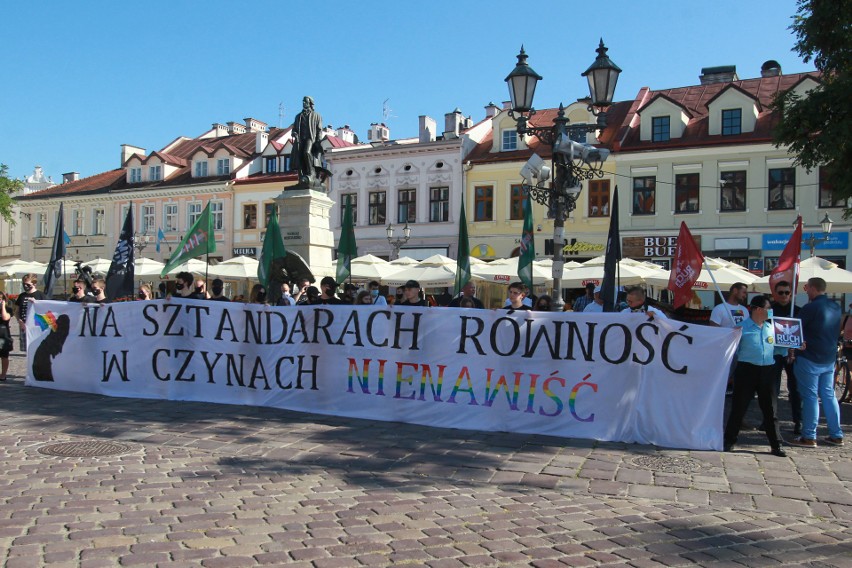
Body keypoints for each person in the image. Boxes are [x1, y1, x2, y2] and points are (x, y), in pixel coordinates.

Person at [723, 295, 787, 457]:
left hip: (767, 370)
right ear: (758, 309)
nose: (770, 312)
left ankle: (776, 444)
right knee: (739, 407)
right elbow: (730, 350)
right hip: (746, 371)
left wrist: (795, 346)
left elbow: (780, 348)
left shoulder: (771, 328)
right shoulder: (741, 328)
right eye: (768, 308)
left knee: (771, 410)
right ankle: (729, 441)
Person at [789, 277, 844, 448]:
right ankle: (836, 434)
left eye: (806, 288)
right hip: (828, 357)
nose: (806, 291)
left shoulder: (810, 307)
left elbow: (795, 330)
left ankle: (809, 436)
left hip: (809, 356)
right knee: (828, 395)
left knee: (810, 396)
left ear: (812, 288)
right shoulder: (835, 306)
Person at [771, 280, 802, 432]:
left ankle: (798, 421)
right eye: (780, 292)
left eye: (786, 292)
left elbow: (802, 334)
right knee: (773, 388)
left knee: (795, 389)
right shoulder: (770, 310)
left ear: (791, 294)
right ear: (775, 294)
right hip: (774, 354)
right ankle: (770, 420)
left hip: (792, 355)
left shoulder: (797, 310)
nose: (784, 295)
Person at [291, 95, 324, 186]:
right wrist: (294, 133)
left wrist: (318, 140)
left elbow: (319, 129)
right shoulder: (298, 116)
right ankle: (302, 175)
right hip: (300, 139)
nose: (304, 103)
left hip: (311, 138)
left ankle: (311, 172)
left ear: (310, 103)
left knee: (307, 152)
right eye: (303, 101)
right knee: (299, 156)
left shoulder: (316, 116)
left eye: (306, 101)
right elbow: (294, 129)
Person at [15, 273, 45, 351]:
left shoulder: (41, 295)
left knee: (38, 349)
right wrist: (19, 321)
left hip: (37, 326)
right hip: (24, 326)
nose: (25, 286)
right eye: (23, 284)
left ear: (34, 284)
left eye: (27, 284)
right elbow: (17, 311)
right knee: (27, 350)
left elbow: (46, 311)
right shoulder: (21, 296)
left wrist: (37, 303)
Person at [0, 292, 12, 380]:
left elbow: (5, 317)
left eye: (0, 299)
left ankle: (3, 374)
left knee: (4, 356)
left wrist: (3, 306)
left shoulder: (8, 309)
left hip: (3, 335)